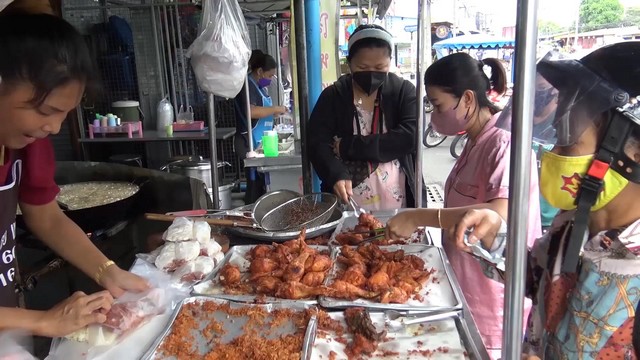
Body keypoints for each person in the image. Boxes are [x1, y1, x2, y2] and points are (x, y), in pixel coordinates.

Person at [399, 42, 640, 359]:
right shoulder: (570, 227)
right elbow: (534, 275)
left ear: (631, 152)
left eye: (568, 143)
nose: (553, 156)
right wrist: (489, 238)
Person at [0, 13, 148, 338]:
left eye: (64, 115)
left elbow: (48, 218)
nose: (53, 128)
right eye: (45, 111)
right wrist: (42, 322)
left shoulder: (27, 143)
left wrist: (107, 271)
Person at [385, 52, 542, 359]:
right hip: (465, 286)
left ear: (467, 99)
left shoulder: (504, 143)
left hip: (493, 298)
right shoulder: (474, 140)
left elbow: (497, 215)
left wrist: (418, 217)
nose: (433, 113)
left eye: (437, 104)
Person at [308, 24, 418, 210]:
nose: (371, 72)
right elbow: (317, 142)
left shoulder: (403, 91)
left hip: (397, 198)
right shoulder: (333, 96)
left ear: (390, 62)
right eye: (363, 66)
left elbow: (409, 137)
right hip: (347, 200)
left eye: (380, 66)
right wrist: (334, 173)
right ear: (349, 63)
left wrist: (348, 147)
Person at [234, 50, 287, 204]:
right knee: (254, 185)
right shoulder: (247, 86)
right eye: (269, 76)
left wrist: (273, 115)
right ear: (259, 72)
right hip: (247, 141)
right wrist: (276, 109)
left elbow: (263, 111)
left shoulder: (259, 87)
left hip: (258, 141)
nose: (270, 80)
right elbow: (252, 111)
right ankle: (250, 214)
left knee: (260, 184)